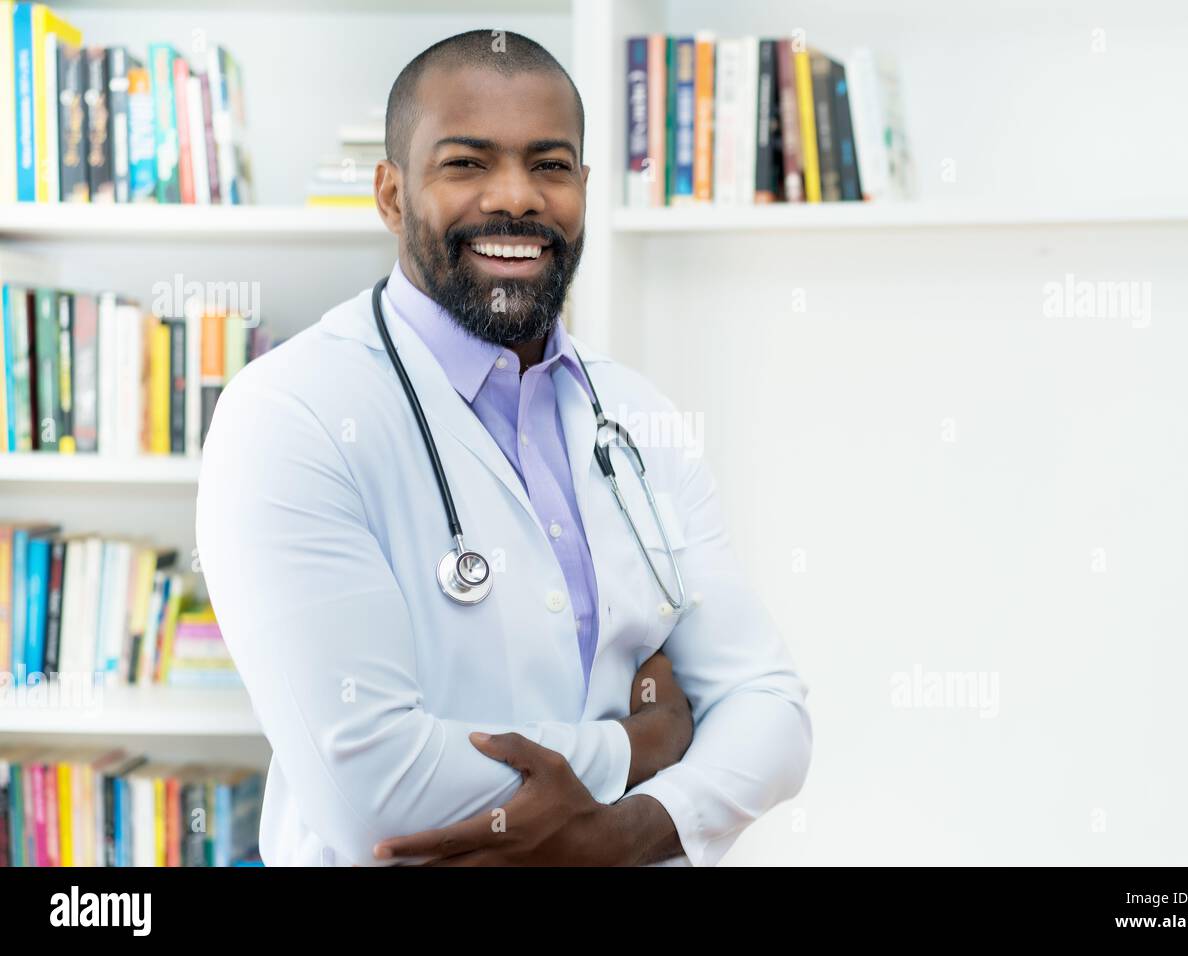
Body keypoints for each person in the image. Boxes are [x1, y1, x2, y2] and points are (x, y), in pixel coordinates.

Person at [195, 29, 812, 866]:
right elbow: (375, 793)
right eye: (466, 163)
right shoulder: (289, 414)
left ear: (586, 189)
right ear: (390, 194)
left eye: (550, 165)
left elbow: (771, 712)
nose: (515, 198)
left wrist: (615, 838)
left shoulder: (636, 415)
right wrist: (650, 742)